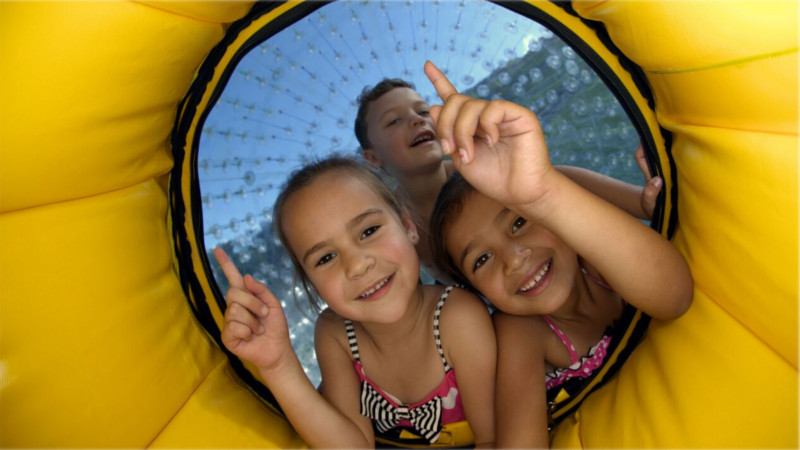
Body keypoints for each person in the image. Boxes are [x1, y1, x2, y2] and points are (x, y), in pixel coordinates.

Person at [424, 61, 693, 448]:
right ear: (478, 292)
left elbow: (675, 295)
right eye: (481, 260)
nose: (514, 259)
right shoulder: (522, 332)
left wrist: (543, 192)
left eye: (519, 223)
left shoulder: (598, 255)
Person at [214, 156, 496, 448]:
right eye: (326, 258)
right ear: (313, 284)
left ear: (407, 224)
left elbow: (494, 439)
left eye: (368, 231)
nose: (357, 265)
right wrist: (278, 365)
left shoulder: (458, 317)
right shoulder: (336, 334)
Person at [353, 78, 663, 279]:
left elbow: (555, 184)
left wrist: (640, 202)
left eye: (422, 111)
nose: (415, 120)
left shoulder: (476, 169)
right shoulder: (391, 228)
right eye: (394, 120)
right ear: (373, 158)